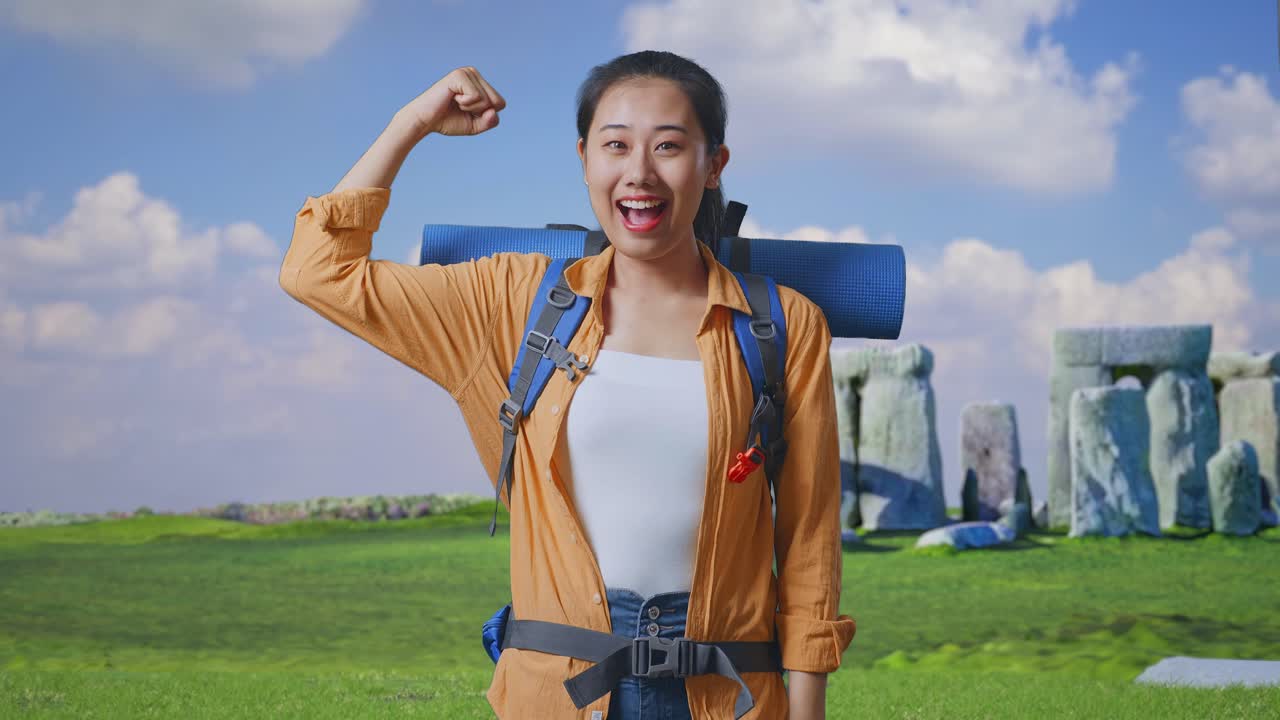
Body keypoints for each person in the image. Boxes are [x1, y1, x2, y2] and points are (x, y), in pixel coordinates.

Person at [279, 51, 855, 720]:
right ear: (585, 158)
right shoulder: (511, 303)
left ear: (714, 164)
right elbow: (316, 272)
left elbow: (810, 538)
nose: (639, 172)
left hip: (730, 696)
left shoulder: (781, 325)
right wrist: (410, 123)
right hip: (556, 694)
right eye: (616, 145)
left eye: (669, 146)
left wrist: (808, 709)